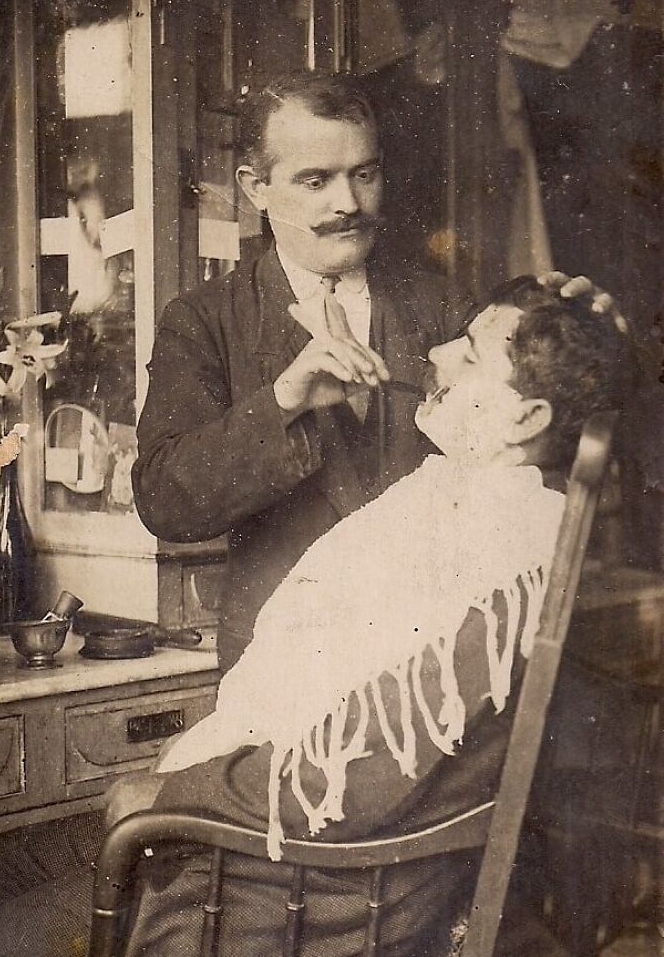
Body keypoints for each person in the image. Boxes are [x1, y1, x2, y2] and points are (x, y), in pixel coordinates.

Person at [117, 275, 634, 957]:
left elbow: (359, 774)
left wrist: (174, 792)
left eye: (472, 355)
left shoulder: (511, 561)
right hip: (286, 843)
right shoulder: (467, 500)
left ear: (527, 418)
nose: (440, 355)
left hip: (306, 893)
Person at [132, 71, 474, 673]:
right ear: (255, 188)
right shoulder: (203, 320)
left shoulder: (444, 310)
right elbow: (164, 501)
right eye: (315, 181)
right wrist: (283, 400)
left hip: (430, 657)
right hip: (280, 667)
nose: (347, 204)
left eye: (364, 175)